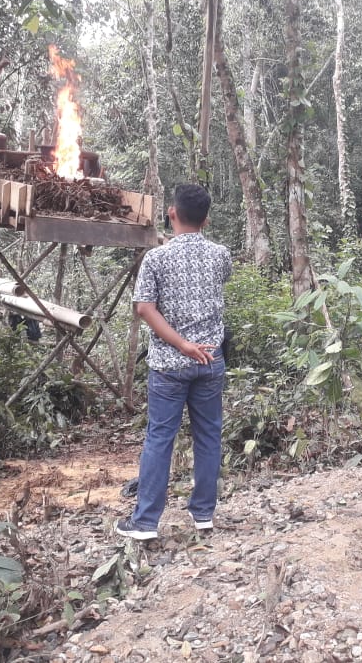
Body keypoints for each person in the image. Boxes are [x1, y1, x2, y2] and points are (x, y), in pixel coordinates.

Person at [116, 183, 232, 541]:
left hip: (169, 363)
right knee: (209, 436)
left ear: (171, 213)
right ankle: (203, 515)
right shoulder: (220, 255)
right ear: (206, 220)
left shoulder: (156, 258)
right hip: (210, 360)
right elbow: (218, 285)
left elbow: (144, 308)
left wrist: (182, 344)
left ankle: (146, 521)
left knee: (160, 437)